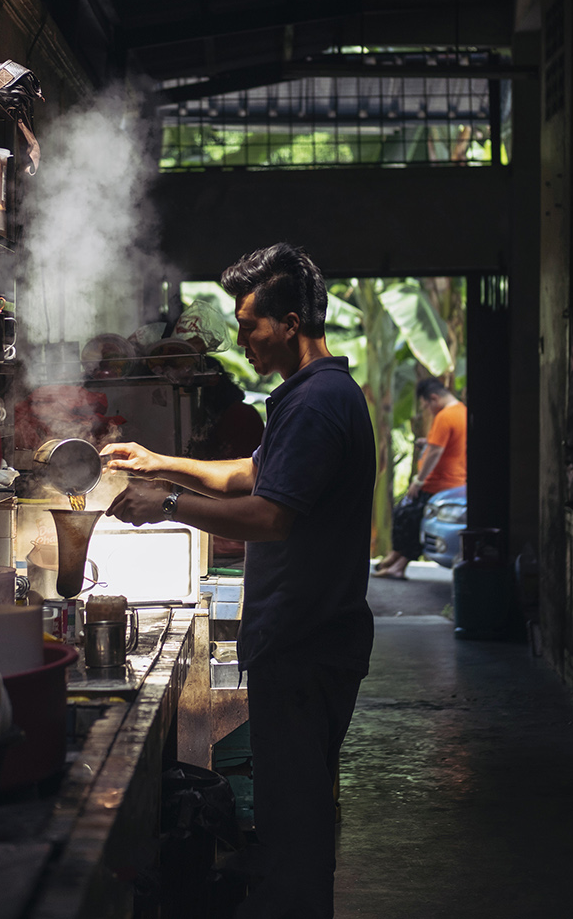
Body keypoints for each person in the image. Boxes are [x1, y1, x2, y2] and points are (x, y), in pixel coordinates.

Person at [104, 243, 376, 919]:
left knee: (295, 826)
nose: (242, 338)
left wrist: (161, 504)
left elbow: (268, 517)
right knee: (295, 813)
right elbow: (251, 475)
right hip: (307, 637)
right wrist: (160, 462)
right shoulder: (312, 395)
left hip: (304, 640)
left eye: (249, 322)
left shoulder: (315, 405)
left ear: (289, 322)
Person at [374, 376, 467, 579]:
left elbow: (435, 452)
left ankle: (399, 565)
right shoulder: (462, 412)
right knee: (405, 514)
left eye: (426, 406)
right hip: (453, 482)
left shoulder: (445, 416)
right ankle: (395, 557)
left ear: (434, 398)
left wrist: (419, 481)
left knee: (409, 518)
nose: (427, 410)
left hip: (438, 484)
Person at [188, 358, 265, 565]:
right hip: (217, 535)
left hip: (233, 541)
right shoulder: (215, 419)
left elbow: (241, 480)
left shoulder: (240, 417)